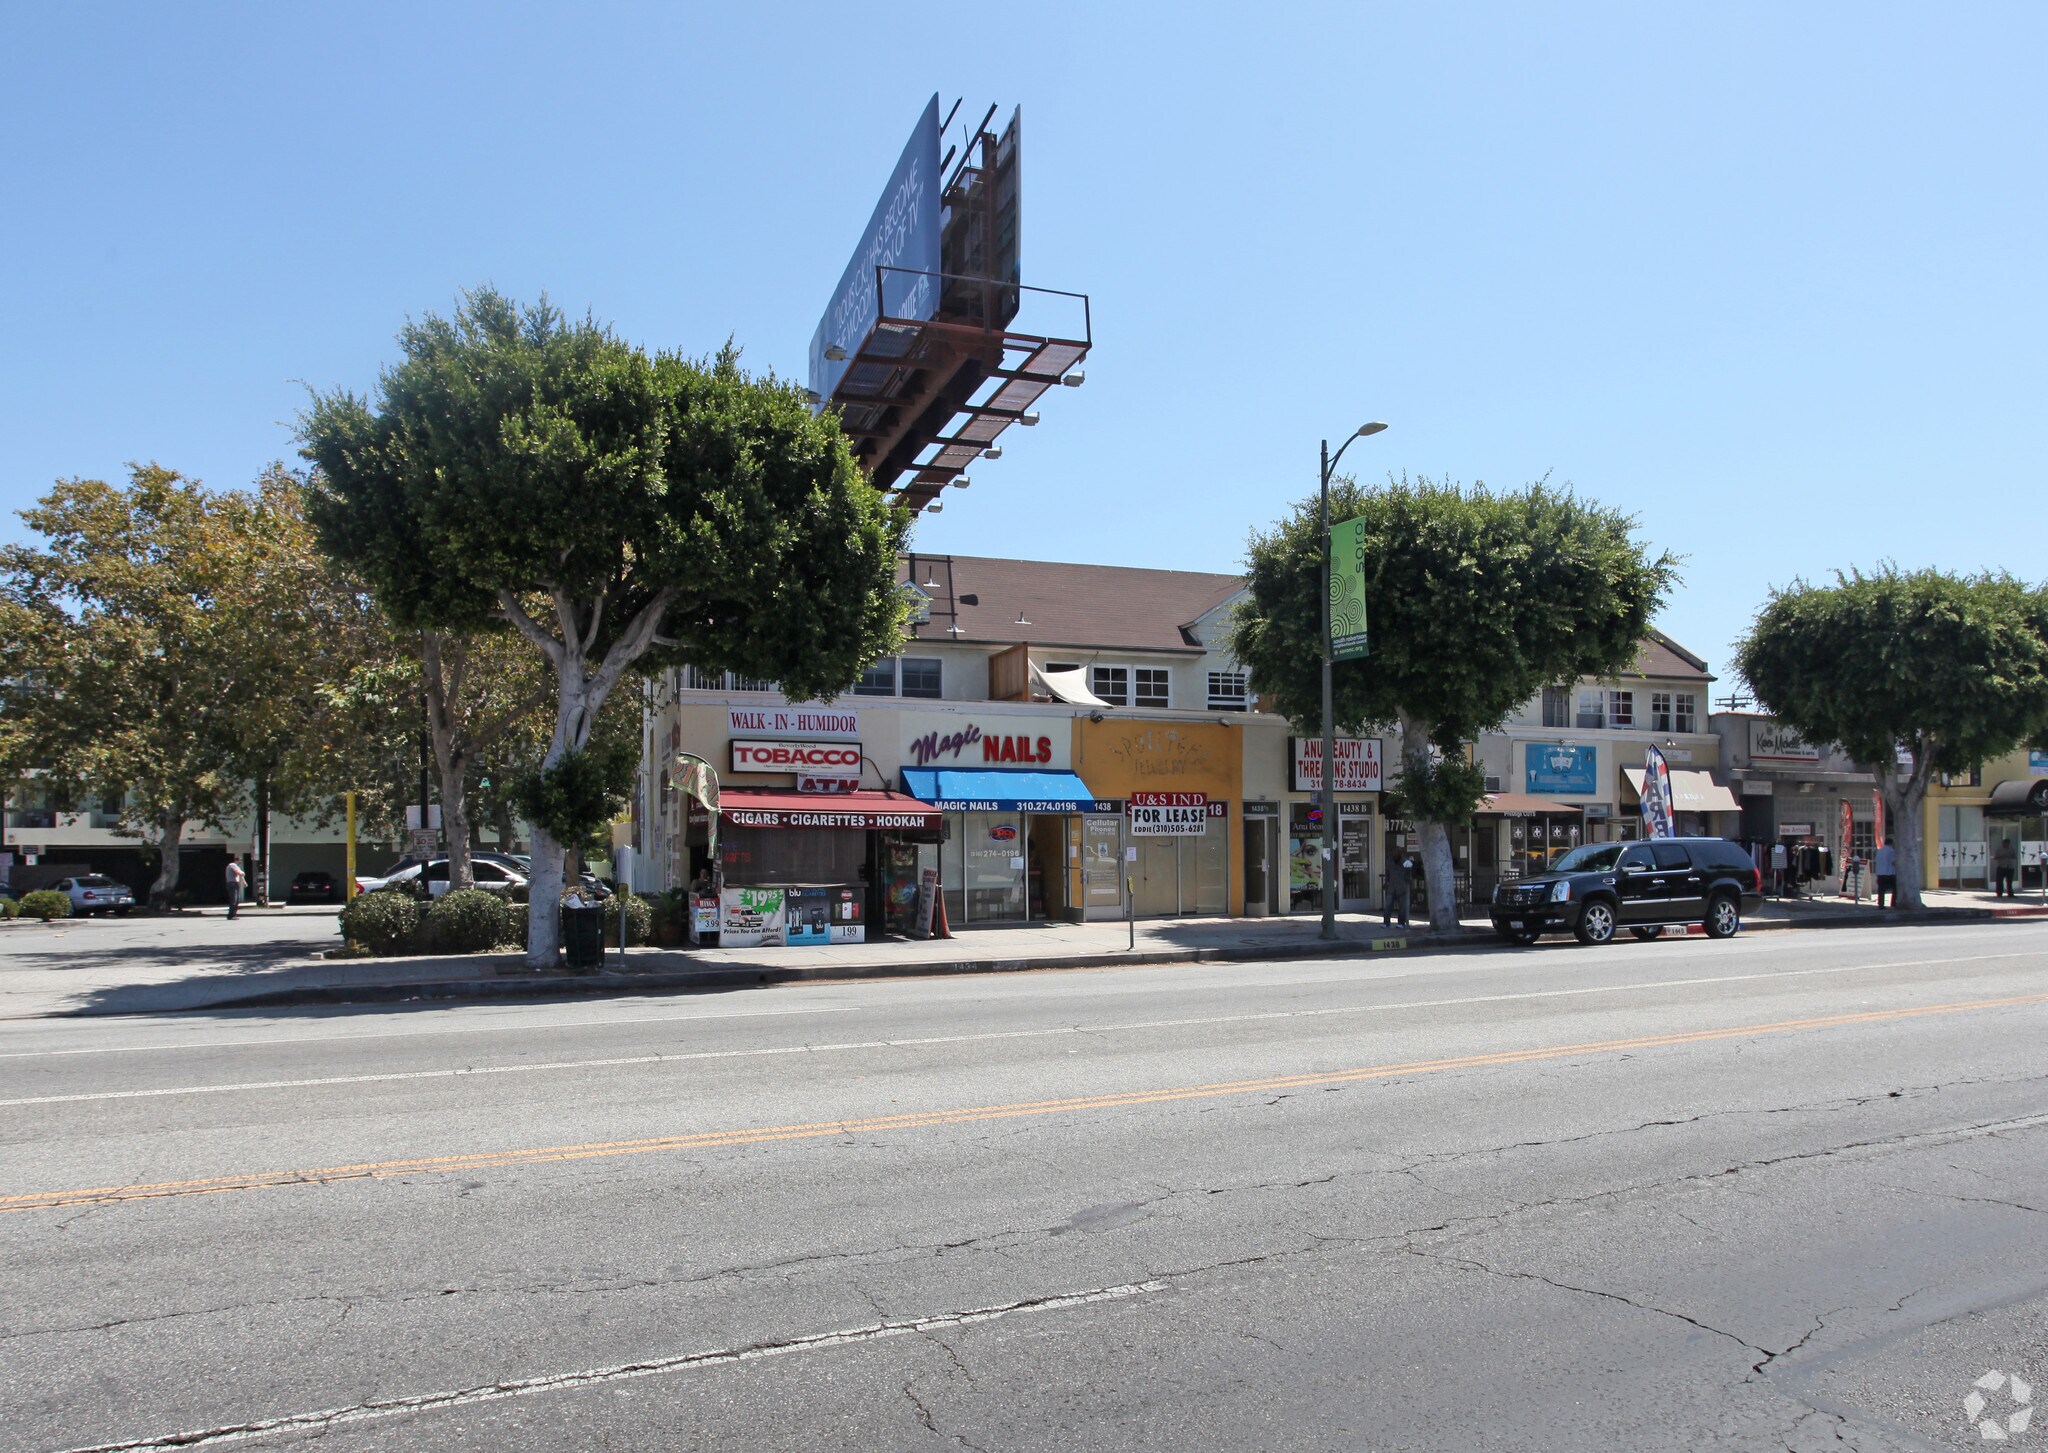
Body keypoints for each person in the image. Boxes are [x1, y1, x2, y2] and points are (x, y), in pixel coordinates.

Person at [1384, 851, 1414, 927]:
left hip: (1401, 887)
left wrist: (1407, 879)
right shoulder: (1390, 862)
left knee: (1402, 906)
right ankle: (1386, 922)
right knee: (1388, 905)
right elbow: (1387, 873)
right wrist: (1387, 882)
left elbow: (1408, 873)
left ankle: (1401, 923)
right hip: (1392, 887)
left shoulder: (1405, 862)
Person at [1872, 837, 1897, 909]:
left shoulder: (1879, 851)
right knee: (1895, 889)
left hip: (1880, 873)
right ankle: (1893, 903)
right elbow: (1893, 862)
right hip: (1889, 873)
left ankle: (1881, 904)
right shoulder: (1891, 851)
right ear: (1891, 844)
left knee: (1881, 890)